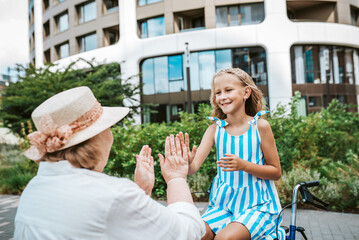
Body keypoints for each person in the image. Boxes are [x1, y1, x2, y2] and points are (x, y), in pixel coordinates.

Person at [14, 86, 205, 240]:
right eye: (108, 127)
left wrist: (141, 193)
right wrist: (176, 178)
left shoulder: (33, 189)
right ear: (97, 138)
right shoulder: (114, 195)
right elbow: (188, 232)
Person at [177, 68, 286, 240]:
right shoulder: (215, 129)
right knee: (196, 234)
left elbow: (276, 172)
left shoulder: (260, 127)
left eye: (228, 90)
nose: (222, 96)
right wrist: (186, 162)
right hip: (223, 206)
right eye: (218, 92)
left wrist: (244, 166)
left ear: (246, 92)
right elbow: (193, 168)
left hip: (258, 206)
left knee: (224, 238)